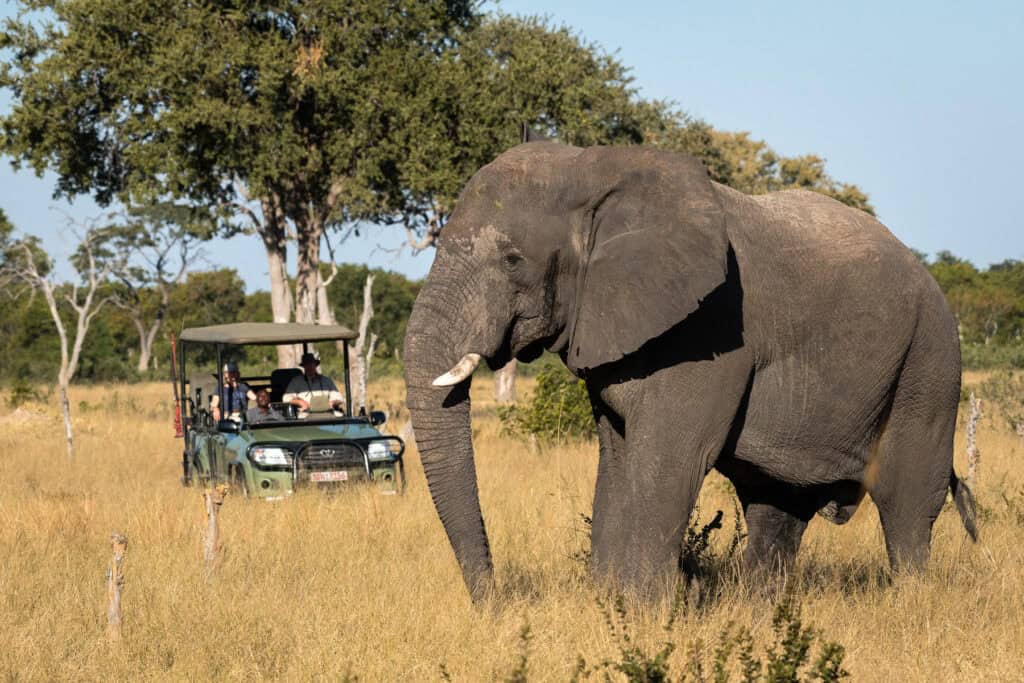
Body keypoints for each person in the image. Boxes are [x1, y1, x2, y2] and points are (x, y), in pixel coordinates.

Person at [283, 352, 344, 417]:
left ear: (315, 365)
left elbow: (339, 398)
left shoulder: (326, 381)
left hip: (327, 413)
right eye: (307, 364)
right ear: (304, 366)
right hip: (306, 414)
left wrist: (332, 403)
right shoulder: (296, 381)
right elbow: (286, 398)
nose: (310, 367)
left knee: (340, 416)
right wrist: (300, 402)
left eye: (312, 364)